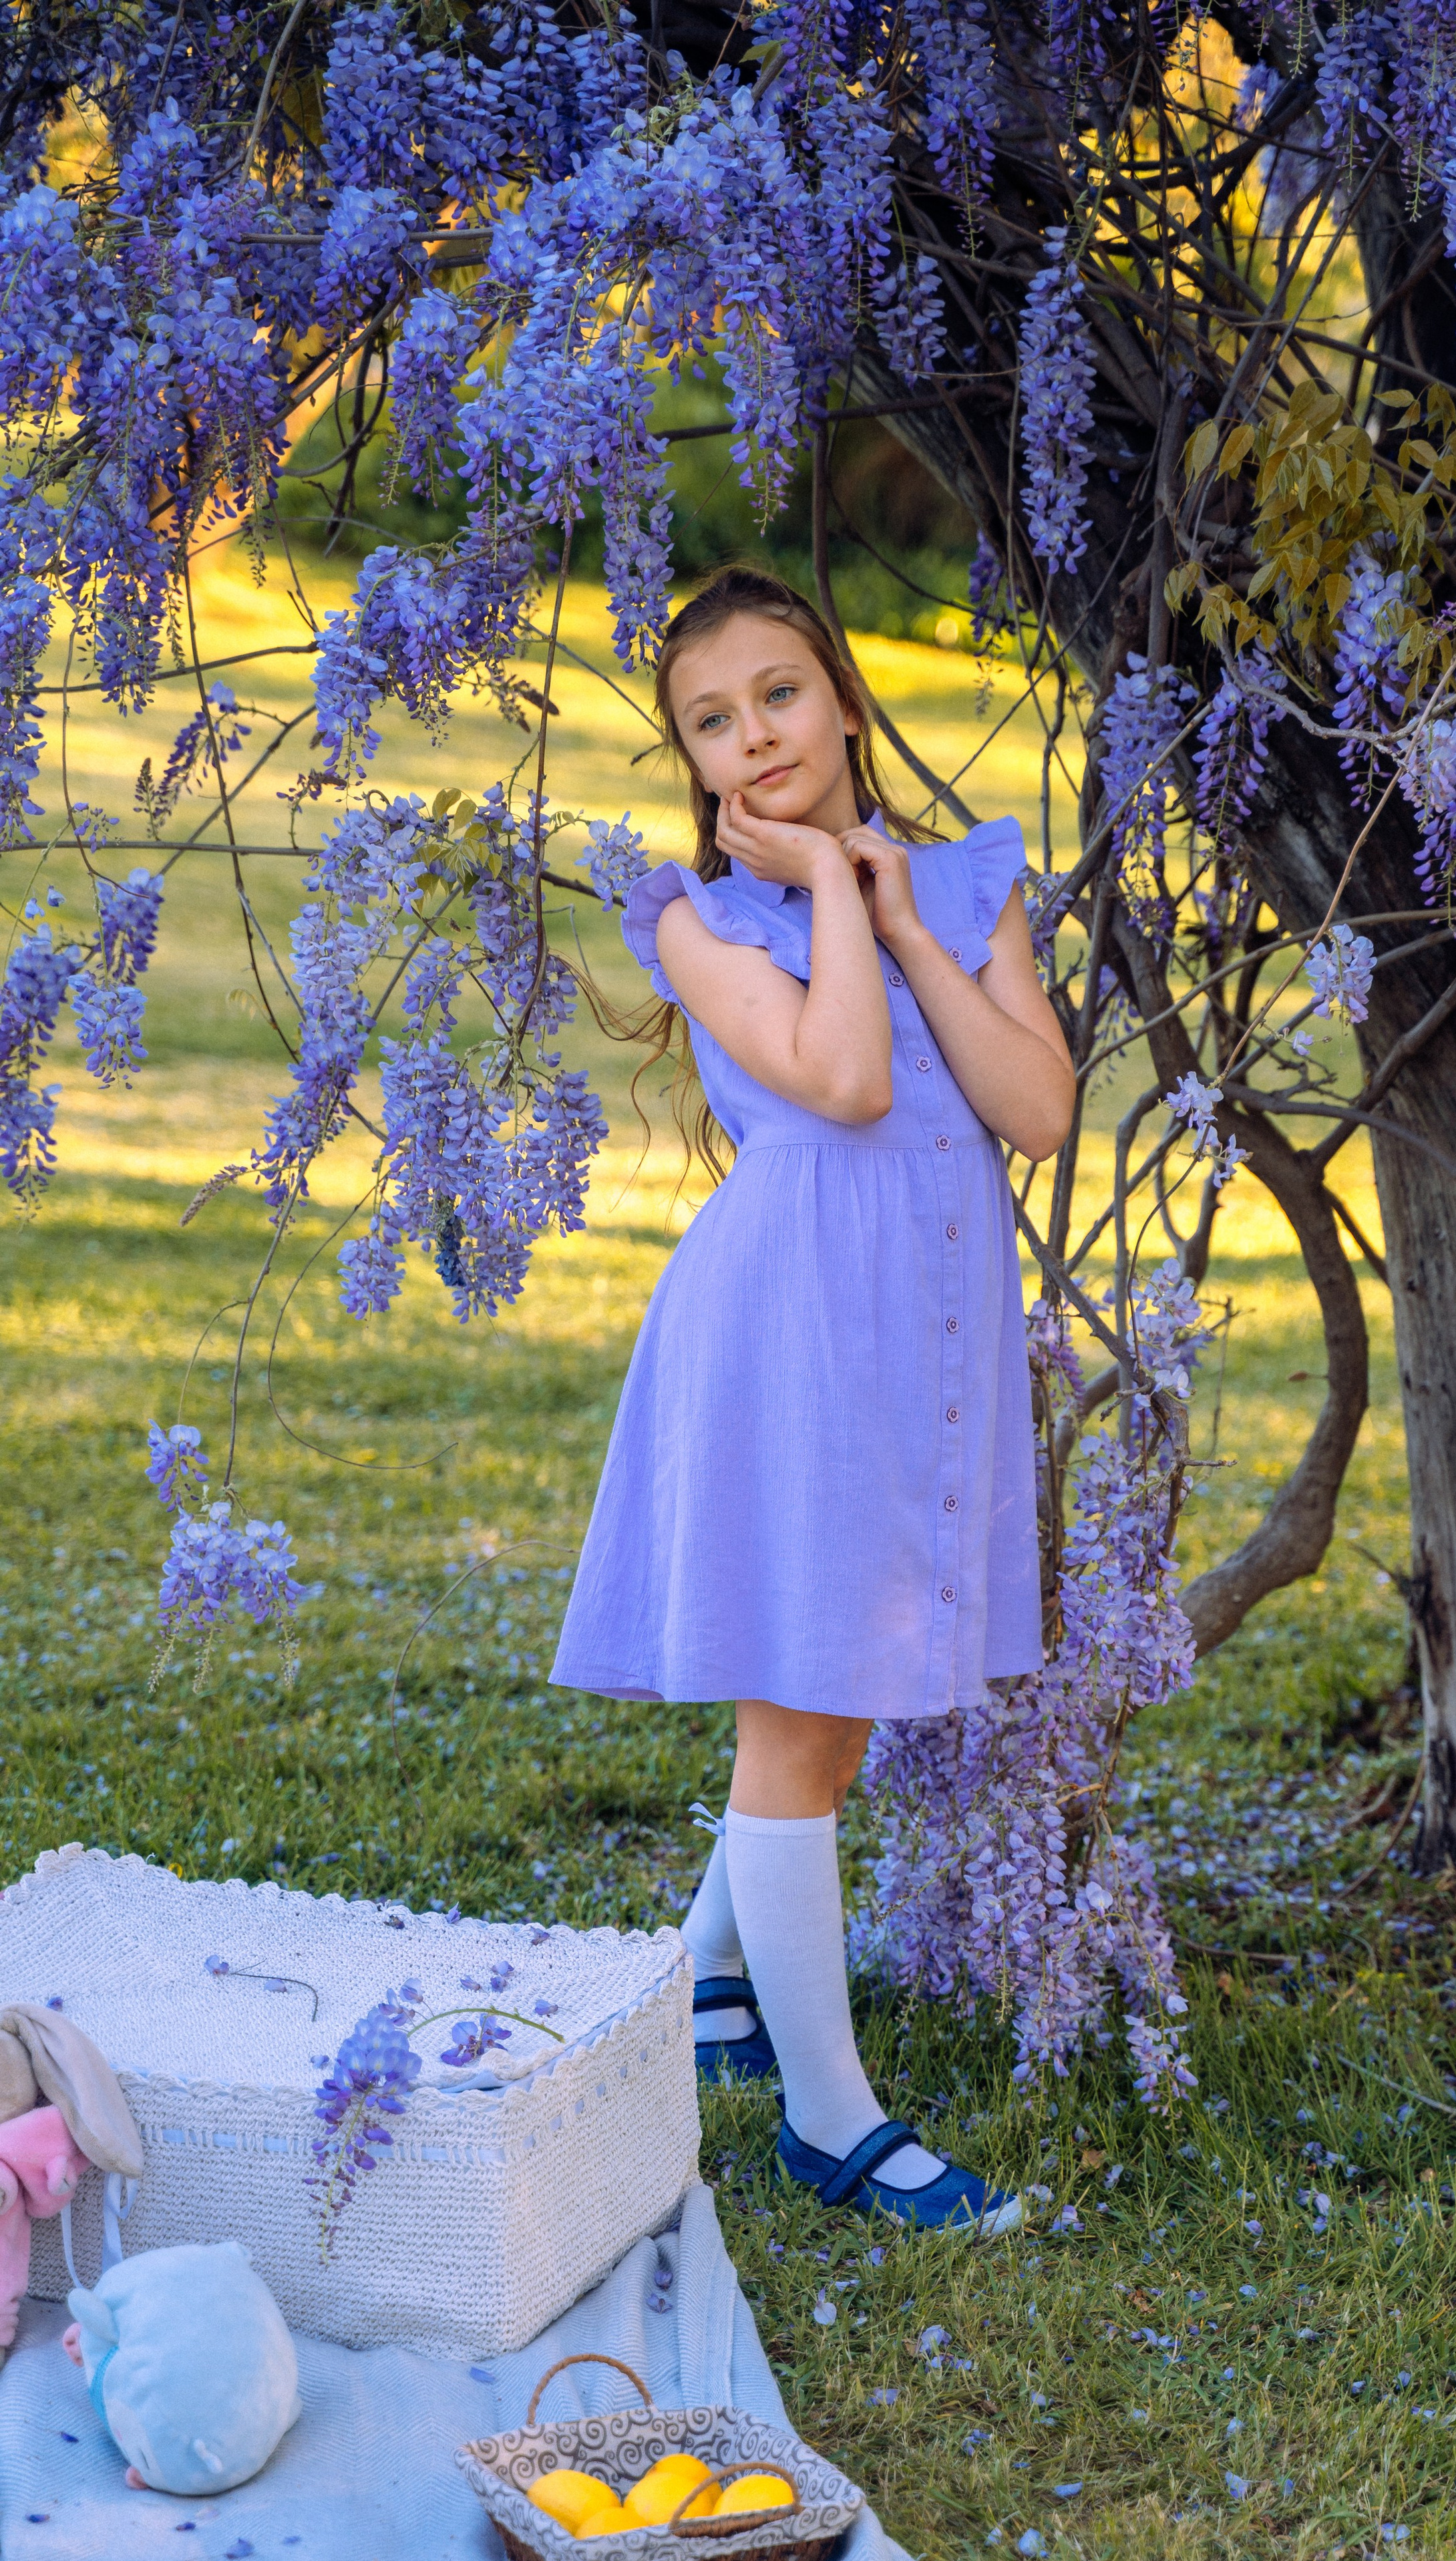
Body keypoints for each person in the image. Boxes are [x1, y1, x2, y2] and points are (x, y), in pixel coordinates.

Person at [551, 566, 1076, 2234]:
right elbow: (845, 1084)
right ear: (693, 765)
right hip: (791, 1322)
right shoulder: (699, 922)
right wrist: (831, 895)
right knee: (802, 1703)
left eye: (778, 695)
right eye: (711, 721)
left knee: (829, 1704)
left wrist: (904, 906)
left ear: (843, 698)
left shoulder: (971, 884)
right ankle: (828, 2122)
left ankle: (707, 1985)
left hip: (925, 1324)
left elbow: (1036, 1109)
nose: (752, 738)